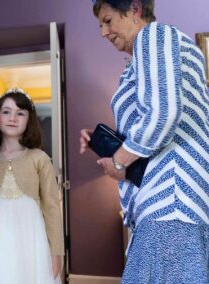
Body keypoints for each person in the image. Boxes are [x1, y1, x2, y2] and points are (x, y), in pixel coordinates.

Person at [80, 0, 209, 282]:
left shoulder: (154, 36)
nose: (103, 32)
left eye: (108, 20)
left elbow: (164, 113)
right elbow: (156, 125)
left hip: (171, 198)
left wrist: (118, 159)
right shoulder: (142, 58)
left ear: (135, 9)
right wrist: (106, 144)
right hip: (168, 196)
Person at [0, 89, 64, 284]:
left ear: (29, 120)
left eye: (20, 113)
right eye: (6, 111)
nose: (13, 118)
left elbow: (51, 208)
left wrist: (55, 252)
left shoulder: (40, 159)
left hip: (31, 238)